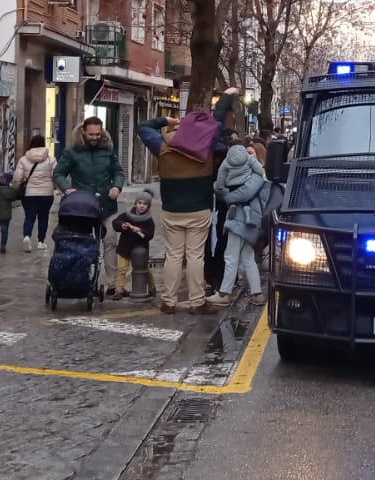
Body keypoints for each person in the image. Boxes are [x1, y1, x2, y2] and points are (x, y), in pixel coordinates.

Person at [137, 89, 239, 314]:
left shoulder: (162, 146)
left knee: (173, 255)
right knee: (195, 255)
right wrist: (227, 96)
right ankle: (197, 301)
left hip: (172, 210)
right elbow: (218, 120)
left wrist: (166, 119)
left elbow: (143, 127)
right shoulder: (206, 145)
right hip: (199, 208)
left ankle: (169, 301)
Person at [206, 145, 271, 306]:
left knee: (230, 256)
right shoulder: (255, 173)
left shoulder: (256, 178)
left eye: (250, 152)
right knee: (247, 257)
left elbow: (241, 194)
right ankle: (257, 294)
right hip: (248, 220)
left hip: (241, 220)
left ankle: (224, 294)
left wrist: (225, 193)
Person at [55, 116, 125, 206]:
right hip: (81, 203)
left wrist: (116, 187)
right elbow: (58, 174)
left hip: (105, 202)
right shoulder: (71, 151)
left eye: (98, 134)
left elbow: (118, 172)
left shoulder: (108, 149)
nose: (95, 137)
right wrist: (67, 189)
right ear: (84, 132)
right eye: (91, 134)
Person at [15, 134, 58, 253]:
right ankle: (41, 242)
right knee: (43, 217)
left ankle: (27, 236)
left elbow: (17, 178)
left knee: (29, 216)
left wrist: (15, 187)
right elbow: (56, 176)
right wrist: (60, 189)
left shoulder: (23, 159)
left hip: (29, 194)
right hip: (47, 193)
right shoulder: (51, 160)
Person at [109, 190, 156, 300]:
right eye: (140, 203)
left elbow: (150, 234)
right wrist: (122, 225)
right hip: (125, 247)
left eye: (145, 204)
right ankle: (119, 290)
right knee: (122, 269)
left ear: (148, 207)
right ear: (135, 204)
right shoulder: (127, 215)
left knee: (144, 269)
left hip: (140, 249)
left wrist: (140, 230)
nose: (142, 206)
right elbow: (115, 222)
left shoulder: (148, 220)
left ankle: (152, 288)